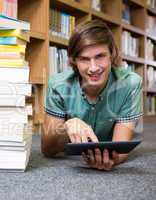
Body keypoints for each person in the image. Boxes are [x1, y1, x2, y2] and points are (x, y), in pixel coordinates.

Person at [42, 19, 143, 171]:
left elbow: (120, 148)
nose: (93, 68)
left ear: (112, 55)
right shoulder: (57, 85)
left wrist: (111, 158)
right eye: (84, 59)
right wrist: (66, 127)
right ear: (74, 61)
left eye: (100, 56)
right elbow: (47, 149)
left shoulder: (131, 84)